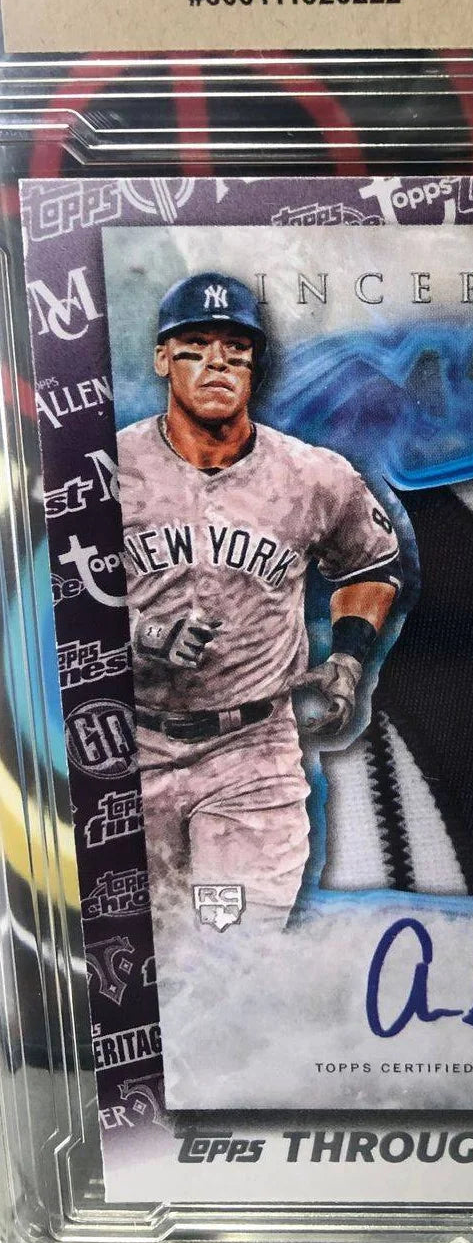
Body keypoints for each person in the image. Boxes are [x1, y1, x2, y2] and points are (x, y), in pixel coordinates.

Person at [117, 271, 401, 933]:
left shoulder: (312, 475)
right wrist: (146, 636)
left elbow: (370, 562)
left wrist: (348, 660)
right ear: (162, 358)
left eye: (236, 348)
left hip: (251, 754)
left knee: (231, 948)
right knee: (149, 956)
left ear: (255, 363)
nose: (217, 362)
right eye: (195, 346)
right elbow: (43, 596)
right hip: (129, 749)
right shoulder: (107, 469)